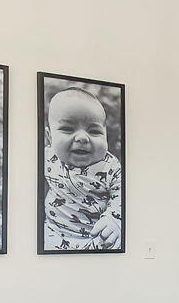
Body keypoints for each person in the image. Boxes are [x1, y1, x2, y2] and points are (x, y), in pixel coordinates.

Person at [41, 86, 122, 251]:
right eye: (68, 129)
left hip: (98, 238)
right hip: (52, 233)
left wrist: (114, 220)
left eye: (94, 131)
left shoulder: (110, 167)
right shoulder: (48, 157)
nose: (82, 138)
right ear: (50, 137)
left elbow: (123, 196)